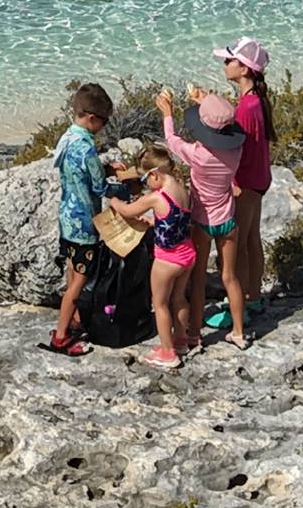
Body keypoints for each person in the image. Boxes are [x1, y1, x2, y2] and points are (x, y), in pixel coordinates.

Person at [159, 85, 250, 348]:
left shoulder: (198, 155)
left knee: (198, 279)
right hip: (228, 220)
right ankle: (239, 332)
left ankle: (195, 333)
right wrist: (204, 100)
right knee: (229, 276)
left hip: (202, 222)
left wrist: (168, 112)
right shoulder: (235, 151)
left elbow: (171, 139)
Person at [45, 83, 124, 357]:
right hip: (83, 225)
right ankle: (62, 335)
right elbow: (100, 188)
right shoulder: (88, 149)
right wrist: (125, 187)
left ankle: (75, 318)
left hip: (66, 217)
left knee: (72, 272)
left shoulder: (68, 139)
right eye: (104, 121)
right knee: (78, 284)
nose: (104, 126)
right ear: (91, 117)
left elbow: (79, 174)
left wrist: (104, 167)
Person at [106, 145, 195, 370]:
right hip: (187, 254)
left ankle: (167, 352)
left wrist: (114, 202)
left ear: (154, 174)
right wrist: (156, 223)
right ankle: (181, 340)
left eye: (145, 179)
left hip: (167, 260)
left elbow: (129, 211)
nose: (146, 185)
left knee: (160, 303)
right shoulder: (181, 188)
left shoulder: (157, 197)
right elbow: (176, 219)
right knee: (179, 299)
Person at [208, 37, 275, 332]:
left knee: (239, 246)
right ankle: (254, 295)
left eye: (230, 60)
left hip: (245, 182)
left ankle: (242, 305)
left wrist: (231, 181)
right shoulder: (256, 101)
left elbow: (238, 149)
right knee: (252, 238)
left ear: (245, 68)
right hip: (259, 178)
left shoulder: (246, 108)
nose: (225, 64)